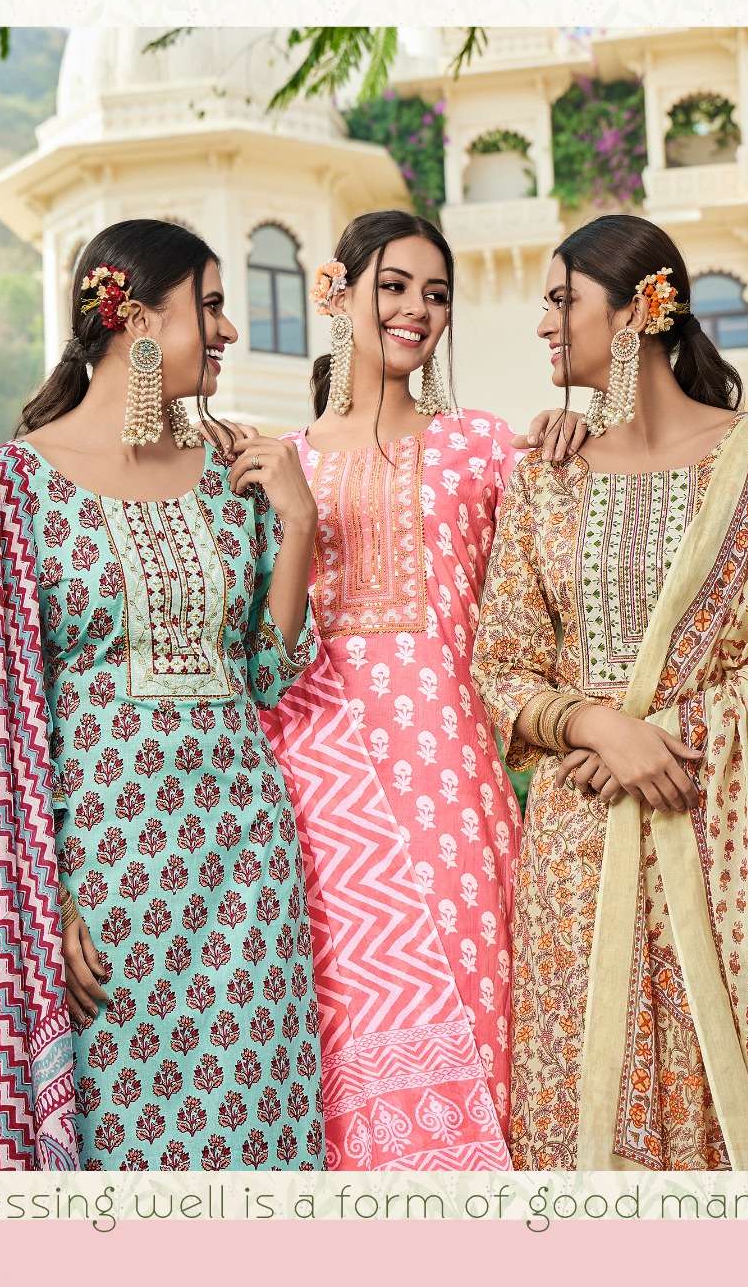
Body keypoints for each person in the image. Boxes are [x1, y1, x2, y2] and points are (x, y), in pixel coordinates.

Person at [0, 218, 325, 1171]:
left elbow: (267, 675)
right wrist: (35, 908)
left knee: (256, 1146)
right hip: (101, 879)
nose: (228, 330)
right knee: (122, 1155)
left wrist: (296, 524)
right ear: (137, 320)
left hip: (247, 872)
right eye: (209, 307)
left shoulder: (233, 476)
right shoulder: (13, 491)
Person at [471, 213, 748, 1173]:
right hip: (580, 849)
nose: (543, 323)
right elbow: (503, 665)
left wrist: (658, 732)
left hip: (730, 832)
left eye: (561, 300)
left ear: (641, 309)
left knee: (741, 1108)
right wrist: (594, 724)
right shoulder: (543, 479)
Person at [260, 209, 586, 1171]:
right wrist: (293, 516)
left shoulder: (483, 448)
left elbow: (555, 591)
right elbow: (263, 651)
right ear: (336, 293)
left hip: (454, 782)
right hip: (319, 796)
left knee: (486, 1005)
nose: (417, 310)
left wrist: (580, 440)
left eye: (436, 295)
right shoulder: (277, 465)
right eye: (394, 286)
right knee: (345, 1037)